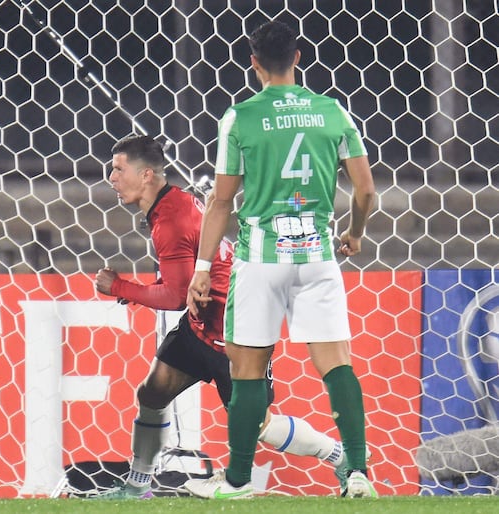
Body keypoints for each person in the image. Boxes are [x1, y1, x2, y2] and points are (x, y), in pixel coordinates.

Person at [93, 135, 360, 499]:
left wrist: (120, 287)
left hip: (232, 330)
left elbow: (175, 298)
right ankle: (138, 486)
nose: (111, 177)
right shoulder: (173, 206)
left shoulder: (169, 219)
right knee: (153, 392)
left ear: (147, 176)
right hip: (201, 325)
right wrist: (147, 288)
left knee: (259, 425)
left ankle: (341, 457)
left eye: (119, 169)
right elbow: (182, 280)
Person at [184, 20, 377, 499]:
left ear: (253, 64)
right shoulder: (332, 112)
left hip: (262, 257)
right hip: (317, 254)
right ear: (298, 57)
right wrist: (353, 232)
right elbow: (367, 191)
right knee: (337, 367)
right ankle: (358, 476)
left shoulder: (240, 117)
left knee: (246, 370)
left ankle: (237, 482)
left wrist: (203, 268)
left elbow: (221, 201)